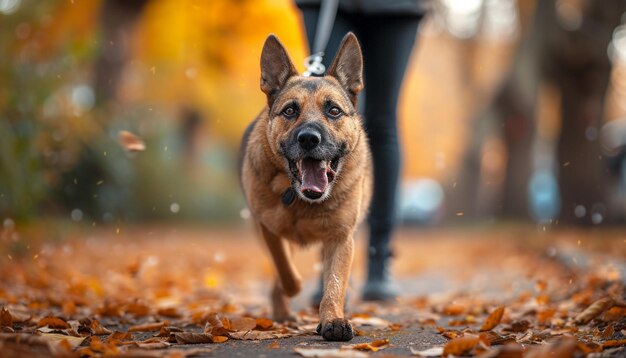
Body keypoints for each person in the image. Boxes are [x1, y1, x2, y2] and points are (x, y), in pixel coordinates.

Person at [296, 0, 428, 301]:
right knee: (326, 117)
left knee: (382, 123)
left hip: (396, 8)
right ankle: (332, 262)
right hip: (327, 4)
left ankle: (379, 257)